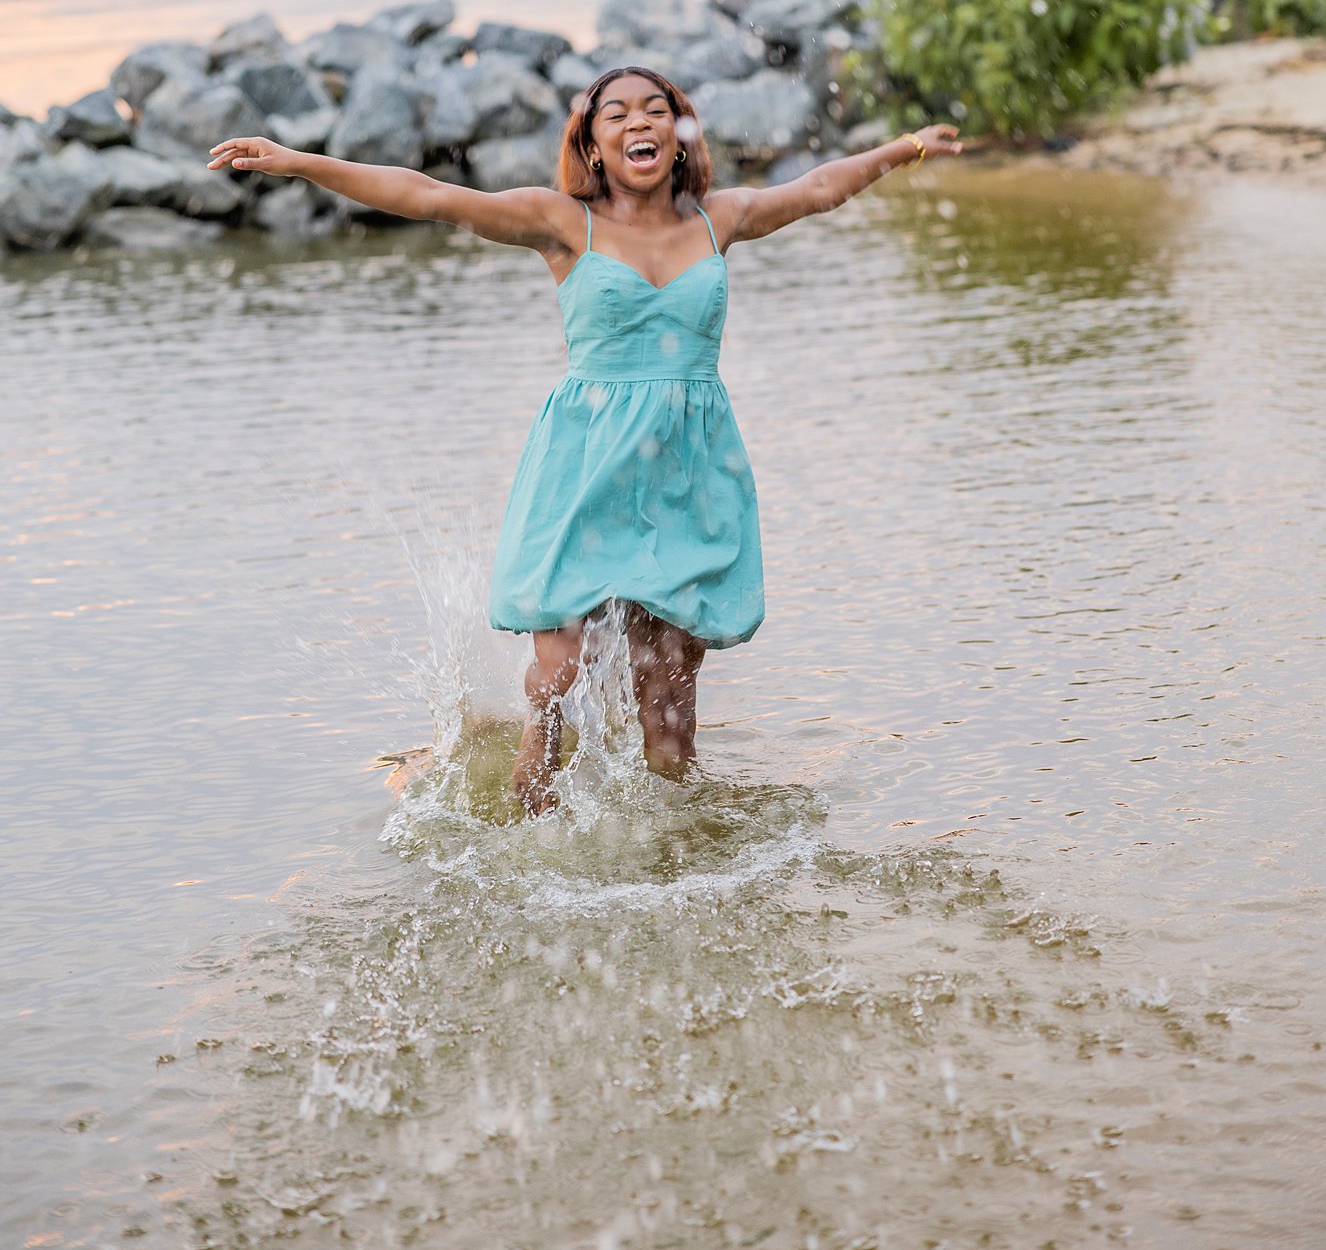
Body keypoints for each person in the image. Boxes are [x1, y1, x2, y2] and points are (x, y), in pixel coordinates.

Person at [208, 68, 959, 812]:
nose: (641, 123)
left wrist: (907, 147)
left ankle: (675, 862)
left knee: (669, 708)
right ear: (593, 146)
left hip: (686, 474)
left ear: (679, 130)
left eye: (656, 110)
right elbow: (430, 196)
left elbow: (820, 187)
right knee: (560, 674)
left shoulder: (717, 219)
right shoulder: (566, 223)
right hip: (584, 465)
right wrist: (300, 161)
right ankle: (532, 808)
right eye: (618, 115)